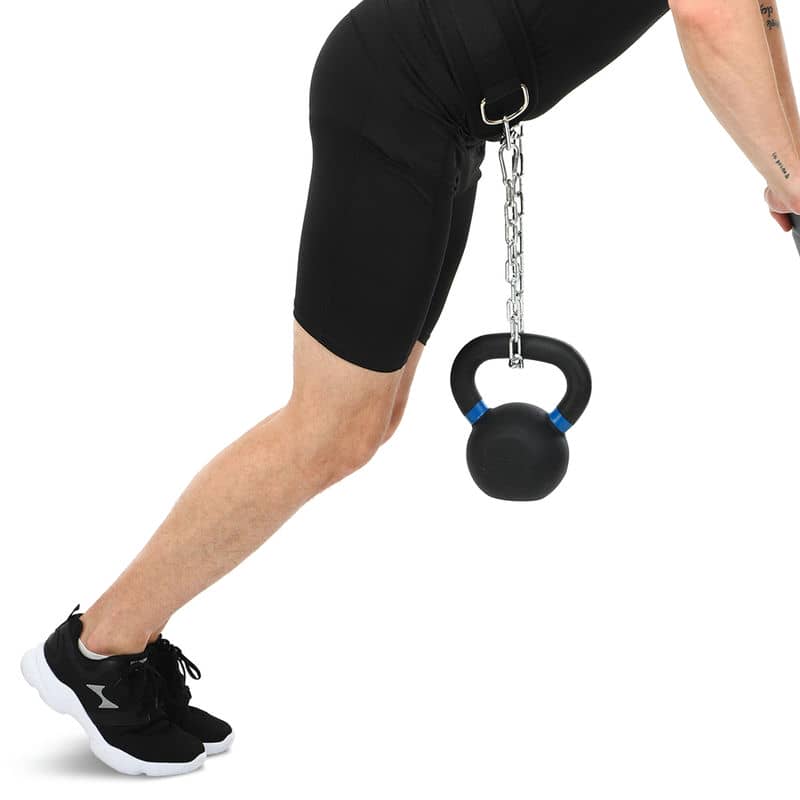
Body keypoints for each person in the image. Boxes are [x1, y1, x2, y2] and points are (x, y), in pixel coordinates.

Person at [20, 0, 800, 777]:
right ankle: (97, 650)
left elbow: (754, 10)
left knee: (361, 427)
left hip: (450, 110)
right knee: (325, 428)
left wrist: (789, 170)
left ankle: (121, 645)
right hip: (403, 93)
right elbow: (712, 17)